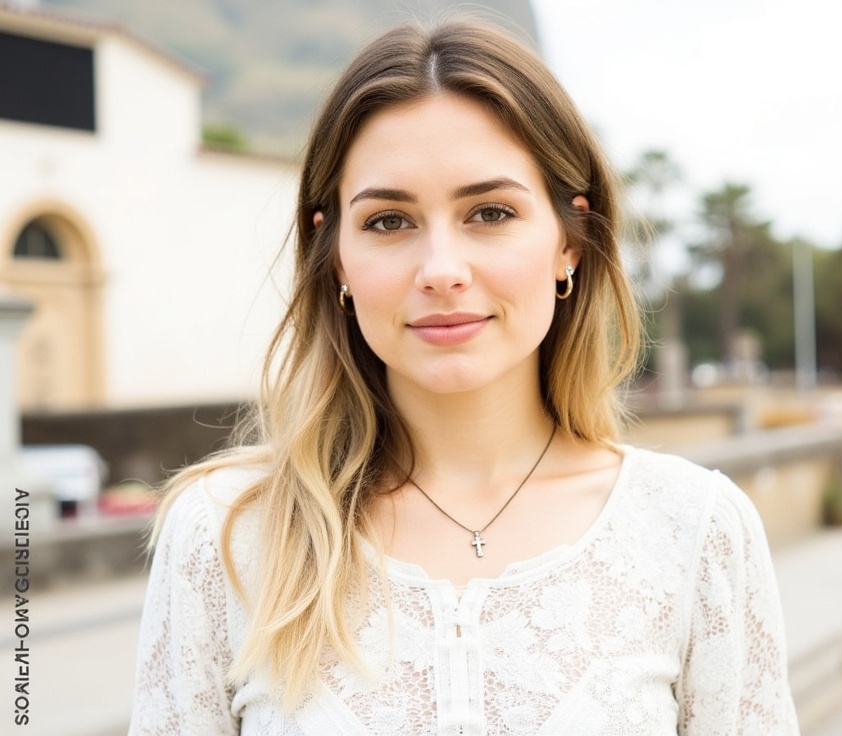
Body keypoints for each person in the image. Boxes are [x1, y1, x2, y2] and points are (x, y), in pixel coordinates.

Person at [129, 18, 800, 735]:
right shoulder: (224, 538)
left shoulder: (693, 529)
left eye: (490, 212)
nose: (442, 271)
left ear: (569, 242)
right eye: (389, 221)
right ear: (336, 257)